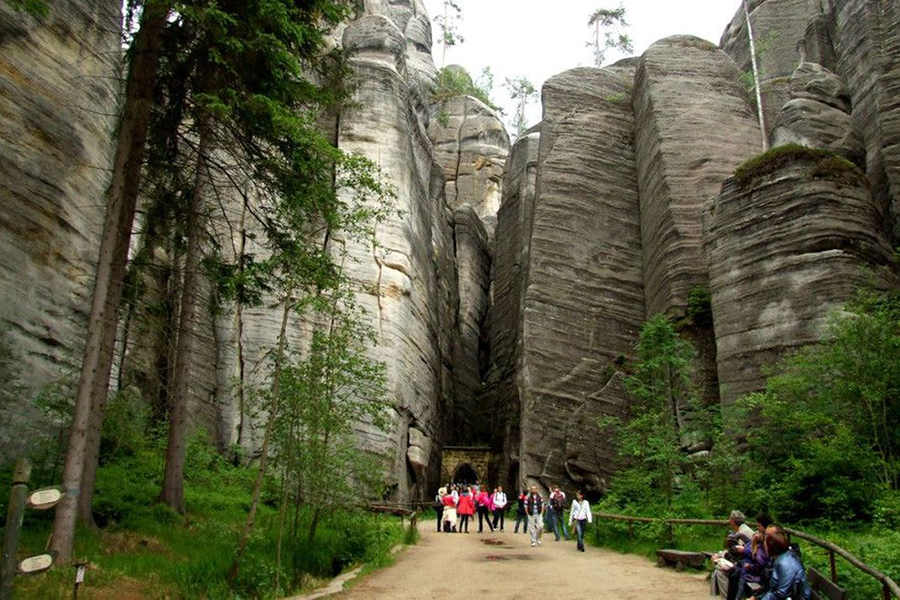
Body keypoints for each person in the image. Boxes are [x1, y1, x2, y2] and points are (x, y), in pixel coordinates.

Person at [749, 525, 811, 600]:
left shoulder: (785, 563)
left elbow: (782, 592)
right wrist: (756, 597)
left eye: (765, 544)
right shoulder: (778, 558)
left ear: (771, 547)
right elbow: (770, 585)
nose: (764, 546)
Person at [728, 513, 773, 600]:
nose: (757, 528)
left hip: (757, 573)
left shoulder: (767, 540)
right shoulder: (758, 536)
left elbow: (761, 560)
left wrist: (746, 550)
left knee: (741, 576)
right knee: (734, 574)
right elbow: (753, 551)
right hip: (750, 567)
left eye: (759, 526)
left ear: (765, 527)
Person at [712, 510, 757, 596]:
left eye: (729, 519)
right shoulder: (742, 529)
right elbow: (734, 551)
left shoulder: (743, 532)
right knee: (719, 562)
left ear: (732, 521)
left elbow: (737, 553)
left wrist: (721, 556)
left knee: (720, 572)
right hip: (744, 561)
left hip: (747, 564)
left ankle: (726, 596)